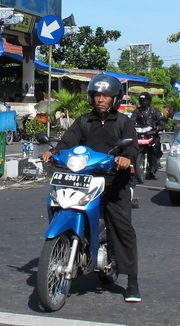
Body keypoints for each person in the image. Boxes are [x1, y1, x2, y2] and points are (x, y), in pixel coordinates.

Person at [42, 73, 142, 303]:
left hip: (113, 182)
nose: (100, 99)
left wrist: (125, 159)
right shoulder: (84, 121)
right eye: (97, 94)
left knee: (122, 227)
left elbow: (131, 148)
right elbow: (67, 142)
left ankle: (132, 281)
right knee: (62, 206)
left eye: (106, 95)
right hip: (85, 180)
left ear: (115, 99)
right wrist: (54, 152)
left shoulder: (124, 123)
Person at [132, 92, 165, 180]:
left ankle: (156, 160)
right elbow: (132, 119)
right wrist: (129, 125)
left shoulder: (155, 110)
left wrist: (160, 125)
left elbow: (161, 119)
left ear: (149, 101)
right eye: (141, 100)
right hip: (140, 134)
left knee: (156, 143)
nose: (143, 102)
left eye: (145, 100)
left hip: (152, 134)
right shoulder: (137, 111)